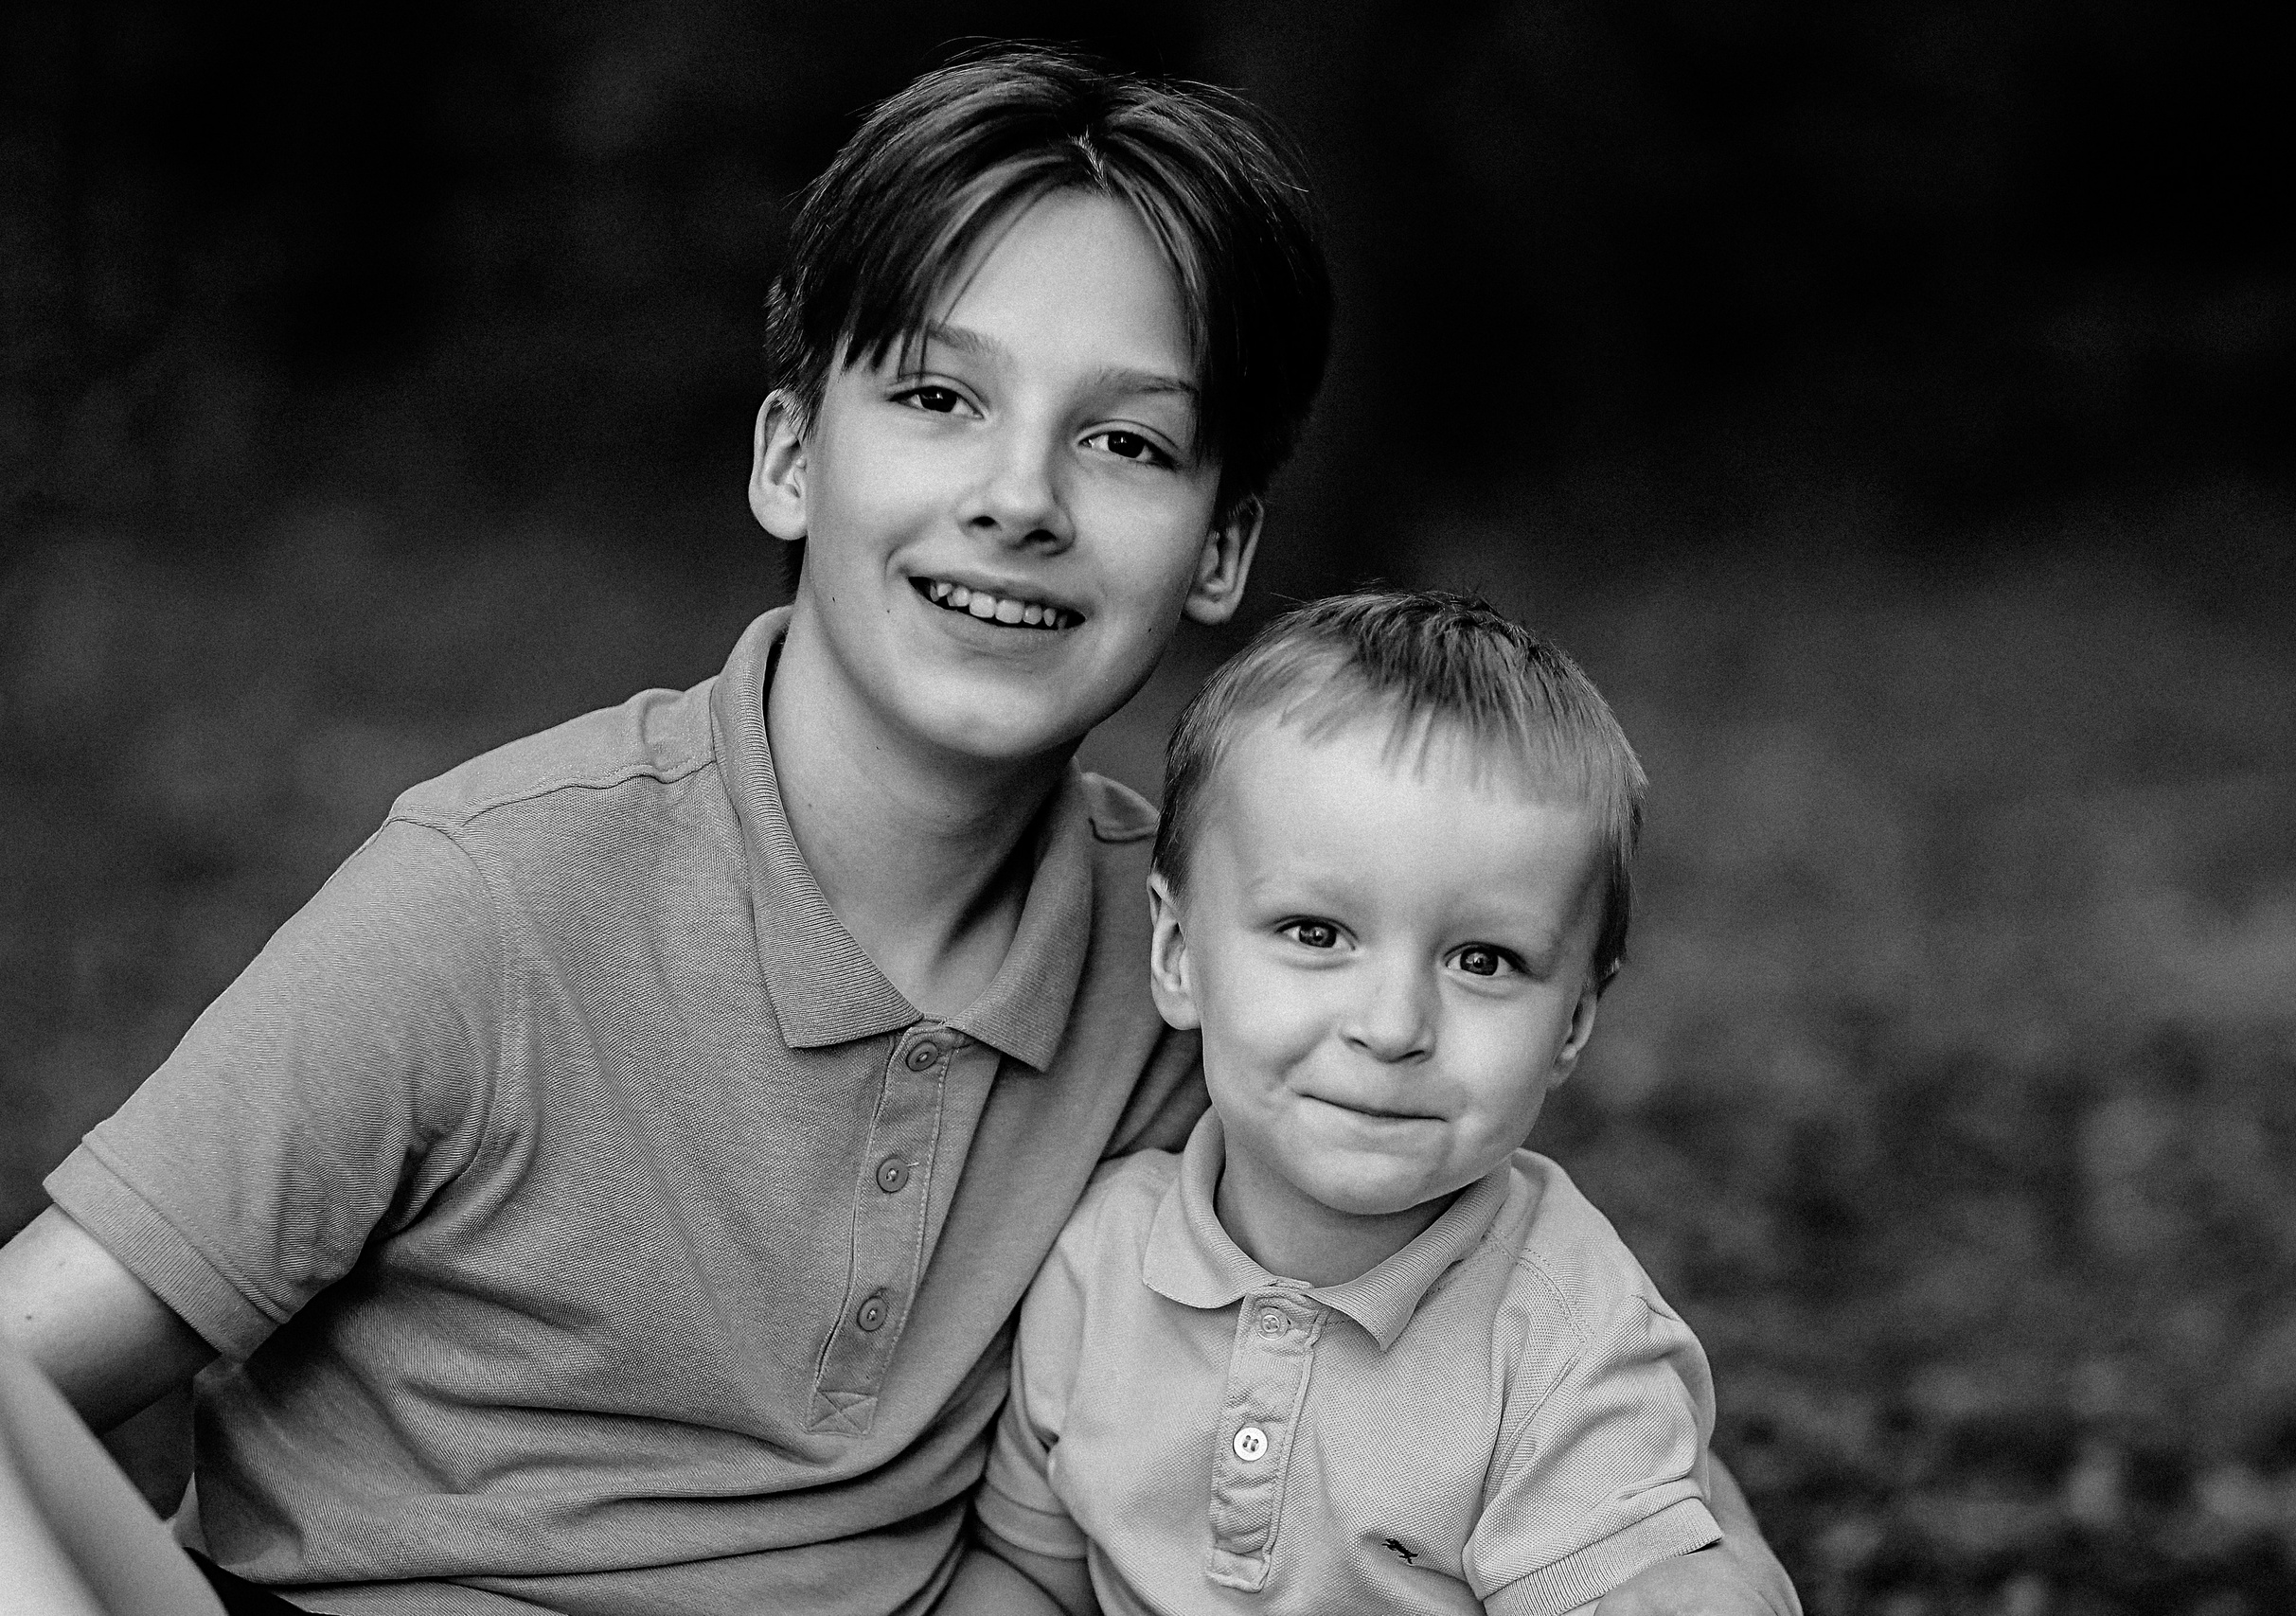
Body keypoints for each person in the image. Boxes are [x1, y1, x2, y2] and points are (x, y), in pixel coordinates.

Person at [0, 45, 1790, 1616]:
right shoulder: (498, 897)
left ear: (1223, 546)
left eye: (1127, 444)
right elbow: (31, 1373)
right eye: (939, 399)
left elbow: (1537, 1374)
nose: (1017, 497)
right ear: (793, 456)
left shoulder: (1212, 959)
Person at [945, 592, 1789, 1616]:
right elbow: (1031, 1573)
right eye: (1315, 933)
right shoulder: (1097, 1258)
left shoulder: (1564, 1338)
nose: (1392, 1026)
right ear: (1176, 954)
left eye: (1484, 960)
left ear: (1571, 1025)